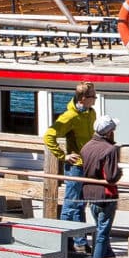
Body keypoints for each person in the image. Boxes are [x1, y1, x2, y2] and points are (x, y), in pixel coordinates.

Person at [42, 84, 99, 224]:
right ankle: (64, 240)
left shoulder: (91, 112)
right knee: (71, 205)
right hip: (75, 167)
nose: (95, 99)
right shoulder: (70, 116)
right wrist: (63, 156)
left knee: (80, 205)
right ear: (83, 99)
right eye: (93, 97)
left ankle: (80, 241)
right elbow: (49, 135)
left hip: (87, 164)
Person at [77, 119, 122, 258]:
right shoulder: (110, 149)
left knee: (100, 228)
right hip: (106, 194)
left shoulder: (86, 147)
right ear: (109, 133)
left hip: (90, 193)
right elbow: (111, 177)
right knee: (103, 232)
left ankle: (110, 257)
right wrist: (120, 172)